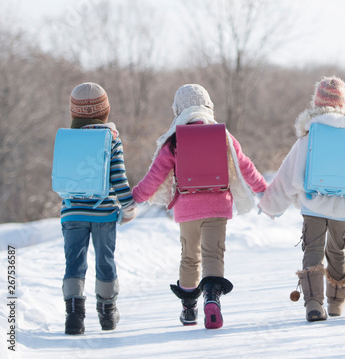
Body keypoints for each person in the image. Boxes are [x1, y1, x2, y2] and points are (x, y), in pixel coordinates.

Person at [132, 83, 267, 329]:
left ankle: (188, 309)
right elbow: (244, 166)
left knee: (189, 257)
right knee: (213, 254)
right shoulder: (223, 135)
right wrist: (263, 190)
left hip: (187, 209)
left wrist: (136, 197)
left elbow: (155, 176)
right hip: (218, 206)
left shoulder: (173, 141)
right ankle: (212, 299)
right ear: (208, 105)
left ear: (178, 109)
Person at [259, 76, 345, 322]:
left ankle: (314, 304)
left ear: (317, 106)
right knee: (337, 250)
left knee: (312, 249)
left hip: (312, 205)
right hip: (344, 207)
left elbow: (287, 176)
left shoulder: (307, 139)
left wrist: (270, 204)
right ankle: (336, 303)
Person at [61, 82, 137, 335]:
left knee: (74, 262)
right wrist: (128, 208)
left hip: (72, 211)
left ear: (74, 112)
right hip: (103, 212)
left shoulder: (66, 140)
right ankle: (107, 312)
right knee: (105, 260)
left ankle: (73, 315)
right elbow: (119, 180)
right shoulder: (111, 140)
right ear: (105, 110)